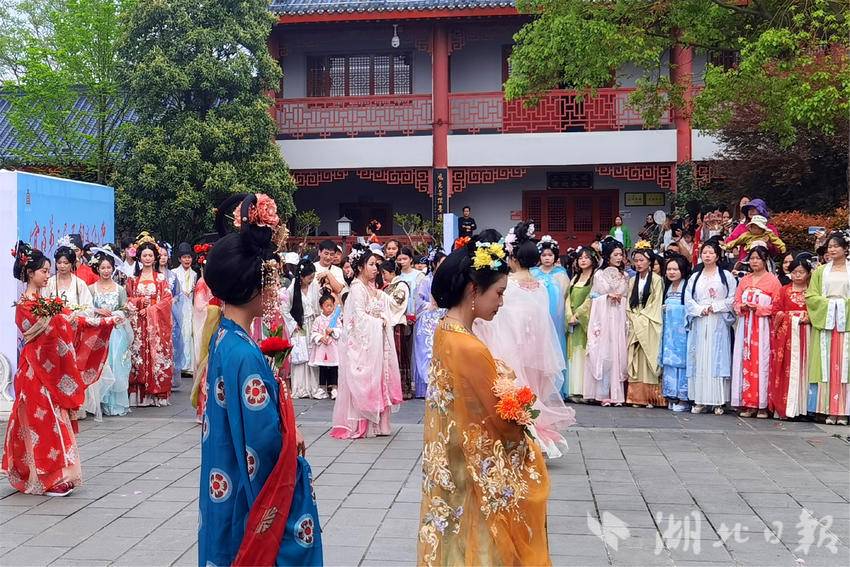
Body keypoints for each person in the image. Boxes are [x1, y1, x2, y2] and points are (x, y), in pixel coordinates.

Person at [199, 193, 323, 566]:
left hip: (228, 478)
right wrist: (292, 446)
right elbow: (263, 446)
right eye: (269, 278)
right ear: (252, 284)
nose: (273, 289)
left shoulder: (224, 336)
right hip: (246, 495)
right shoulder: (243, 354)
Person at [419, 234, 550, 567]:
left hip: (451, 455)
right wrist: (519, 419)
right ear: (474, 290)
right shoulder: (469, 347)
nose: (501, 302)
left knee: (454, 539)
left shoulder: (444, 330)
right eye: (499, 293)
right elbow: (494, 417)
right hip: (471, 463)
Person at [3, 242, 115, 496]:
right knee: (39, 422)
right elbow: (48, 334)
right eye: (43, 270)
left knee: (53, 419)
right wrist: (62, 324)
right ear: (30, 273)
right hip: (34, 370)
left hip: (47, 371)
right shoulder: (25, 305)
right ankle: (44, 476)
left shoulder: (46, 302)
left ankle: (57, 473)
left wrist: (104, 321)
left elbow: (70, 319)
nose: (47, 274)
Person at [475, 222, 575, 458]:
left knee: (514, 389)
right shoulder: (539, 284)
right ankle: (533, 436)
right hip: (537, 347)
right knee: (532, 390)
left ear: (513, 256)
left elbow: (498, 318)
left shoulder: (507, 285)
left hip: (511, 344)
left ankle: (521, 436)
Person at [331, 245, 403, 439]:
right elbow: (359, 318)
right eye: (371, 264)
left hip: (375, 342)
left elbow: (382, 304)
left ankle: (379, 424)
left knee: (379, 378)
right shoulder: (356, 289)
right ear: (361, 267)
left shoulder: (372, 288)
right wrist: (378, 322)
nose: (375, 269)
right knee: (366, 380)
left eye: (376, 265)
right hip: (363, 343)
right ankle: (363, 424)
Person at [685, 240, 737, 415]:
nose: (707, 255)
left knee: (717, 358)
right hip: (701, 320)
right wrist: (700, 309)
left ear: (717, 255)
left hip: (718, 321)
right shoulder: (695, 277)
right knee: (700, 357)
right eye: (704, 252)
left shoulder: (725, 276)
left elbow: (732, 298)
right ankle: (699, 400)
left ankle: (718, 401)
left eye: (711, 252)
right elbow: (688, 299)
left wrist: (716, 307)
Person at [731, 245, 782, 418]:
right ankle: (747, 402)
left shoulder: (773, 281)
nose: (754, 261)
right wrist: (742, 307)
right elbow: (736, 301)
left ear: (765, 260)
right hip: (745, 326)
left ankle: (762, 403)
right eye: (751, 258)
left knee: (762, 360)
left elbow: (777, 306)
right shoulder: (745, 280)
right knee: (744, 360)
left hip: (762, 326)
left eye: (757, 258)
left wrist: (759, 308)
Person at [806, 232, 850, 425]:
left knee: (844, 364)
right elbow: (811, 296)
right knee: (827, 365)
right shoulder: (820, 271)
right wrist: (830, 305)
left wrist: (842, 306)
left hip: (846, 322)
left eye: (836, 246)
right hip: (826, 321)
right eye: (829, 246)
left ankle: (843, 411)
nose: (832, 249)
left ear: (845, 249)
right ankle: (827, 410)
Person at [125, 233, 174, 407]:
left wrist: (151, 309)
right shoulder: (132, 280)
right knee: (137, 356)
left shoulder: (161, 279)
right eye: (144, 255)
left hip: (155, 325)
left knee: (156, 355)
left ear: (155, 258)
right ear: (139, 257)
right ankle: (138, 394)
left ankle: (157, 393)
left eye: (150, 255)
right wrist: (138, 303)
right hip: (138, 323)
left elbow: (167, 301)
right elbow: (127, 300)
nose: (147, 258)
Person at [584, 238, 630, 406]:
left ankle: (617, 393)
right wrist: (607, 297)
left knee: (618, 352)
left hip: (619, 317)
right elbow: (594, 296)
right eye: (615, 254)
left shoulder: (625, 275)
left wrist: (620, 299)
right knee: (604, 352)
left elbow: (627, 297)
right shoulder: (598, 274)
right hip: (603, 318)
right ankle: (603, 393)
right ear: (608, 256)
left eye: (621, 254)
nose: (619, 258)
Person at [90, 250, 134, 419]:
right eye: (103, 267)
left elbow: (125, 309)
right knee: (103, 365)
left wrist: (117, 314)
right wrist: (98, 311)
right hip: (99, 331)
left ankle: (116, 404)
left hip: (117, 332)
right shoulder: (91, 289)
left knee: (118, 365)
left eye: (109, 267)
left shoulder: (120, 289)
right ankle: (101, 401)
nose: (106, 270)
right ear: (98, 269)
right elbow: (88, 309)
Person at [770, 253, 813, 419]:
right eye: (794, 272)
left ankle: (805, 407)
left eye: (801, 272)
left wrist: (809, 317)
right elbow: (776, 311)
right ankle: (786, 406)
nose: (797, 275)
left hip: (807, 332)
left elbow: (816, 309)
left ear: (808, 273)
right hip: (788, 336)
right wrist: (790, 317)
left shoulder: (812, 292)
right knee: (787, 368)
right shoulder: (784, 290)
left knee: (806, 365)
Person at [625, 244, 667, 408]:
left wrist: (640, 318)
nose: (638, 263)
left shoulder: (657, 280)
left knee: (649, 358)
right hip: (635, 319)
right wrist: (633, 317)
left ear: (650, 261)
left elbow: (655, 304)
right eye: (636, 260)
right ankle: (636, 397)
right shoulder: (632, 280)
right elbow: (629, 302)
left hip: (648, 322)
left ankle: (652, 397)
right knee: (636, 358)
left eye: (642, 260)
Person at [531, 235, 570, 396]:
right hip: (537, 317)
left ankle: (556, 388)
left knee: (555, 346)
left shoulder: (561, 274)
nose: (547, 258)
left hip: (556, 317)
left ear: (555, 256)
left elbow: (566, 296)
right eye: (544, 255)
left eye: (550, 255)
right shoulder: (533, 273)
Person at [282, 259, 324, 399]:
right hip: (300, 325)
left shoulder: (315, 286)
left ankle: (313, 386)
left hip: (312, 323)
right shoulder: (292, 289)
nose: (311, 280)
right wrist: (294, 324)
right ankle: (300, 387)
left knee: (312, 354)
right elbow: (285, 309)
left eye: (312, 277)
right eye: (309, 277)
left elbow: (318, 306)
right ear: (301, 276)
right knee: (300, 356)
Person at [412, 251, 447, 398]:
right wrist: (429, 305)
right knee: (425, 351)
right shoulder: (426, 281)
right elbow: (418, 301)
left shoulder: (448, 279)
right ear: (434, 264)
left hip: (443, 315)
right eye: (441, 263)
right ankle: (425, 386)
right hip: (427, 318)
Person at [565, 247, 597, 402]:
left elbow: (591, 299)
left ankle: (586, 391)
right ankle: (573, 390)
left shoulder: (594, 278)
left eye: (586, 257)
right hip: (572, 320)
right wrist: (569, 315)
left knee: (585, 354)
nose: (583, 260)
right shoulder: (575, 278)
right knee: (573, 355)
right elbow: (567, 298)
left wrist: (578, 314)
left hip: (585, 321)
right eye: (580, 258)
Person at [660, 254, 691, 412]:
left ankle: (683, 397)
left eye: (675, 269)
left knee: (682, 363)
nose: (672, 272)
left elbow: (689, 308)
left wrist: (670, 309)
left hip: (682, 332)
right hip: (669, 332)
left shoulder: (687, 286)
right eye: (669, 269)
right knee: (669, 362)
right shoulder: (667, 287)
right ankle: (671, 395)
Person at [393, 247, 424, 399]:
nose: (402, 261)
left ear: (411, 259)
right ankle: (405, 382)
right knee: (404, 349)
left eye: (404, 258)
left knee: (415, 348)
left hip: (417, 314)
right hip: (402, 316)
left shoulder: (419, 276)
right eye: (399, 259)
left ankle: (415, 382)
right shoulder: (396, 278)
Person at [310, 291, 340, 399]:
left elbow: (341, 331)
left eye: (331, 306)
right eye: (327, 306)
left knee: (334, 368)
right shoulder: (318, 320)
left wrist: (332, 331)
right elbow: (313, 332)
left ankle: (334, 388)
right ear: (321, 307)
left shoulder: (335, 319)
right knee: (322, 368)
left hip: (333, 348)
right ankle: (322, 388)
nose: (330, 308)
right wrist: (320, 337)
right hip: (322, 348)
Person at [45, 243, 94, 310]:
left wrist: (73, 313)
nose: (62, 266)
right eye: (59, 263)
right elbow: (43, 304)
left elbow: (89, 308)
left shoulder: (80, 284)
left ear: (72, 264)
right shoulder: (49, 282)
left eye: (66, 263)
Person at [172, 242, 197, 375]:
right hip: (177, 306)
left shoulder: (195, 274)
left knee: (189, 333)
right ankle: (179, 364)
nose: (187, 260)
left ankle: (188, 365)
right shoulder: (174, 273)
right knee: (178, 333)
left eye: (189, 257)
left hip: (190, 307)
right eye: (184, 257)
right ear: (179, 259)